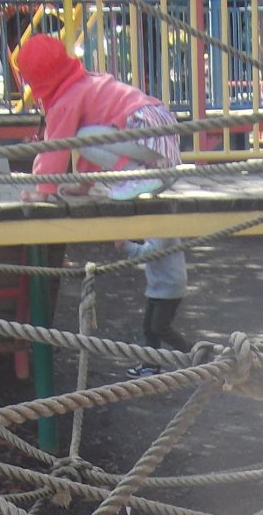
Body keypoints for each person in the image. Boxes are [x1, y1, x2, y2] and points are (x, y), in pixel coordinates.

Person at [12, 33, 191, 368]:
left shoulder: (67, 97)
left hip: (144, 133)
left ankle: (137, 175)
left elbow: (56, 146)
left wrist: (43, 190)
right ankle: (143, 175)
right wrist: (84, 184)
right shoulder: (84, 83)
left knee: (81, 136)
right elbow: (94, 145)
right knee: (87, 135)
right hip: (158, 135)